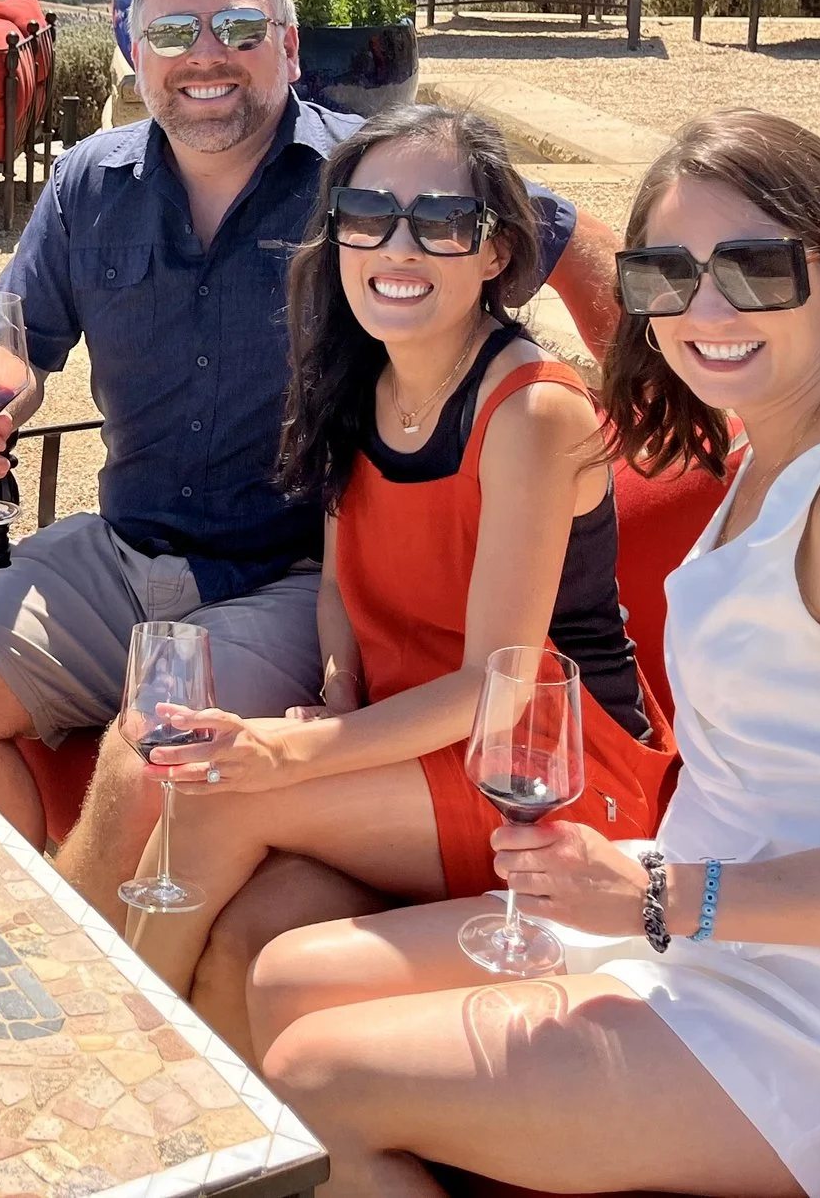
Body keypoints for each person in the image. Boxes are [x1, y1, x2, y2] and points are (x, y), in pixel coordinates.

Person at [244, 108, 820, 1198]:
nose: (705, 310)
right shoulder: (783, 457)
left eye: (755, 268)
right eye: (666, 275)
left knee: (314, 1074)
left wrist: (662, 896)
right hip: (701, 937)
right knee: (289, 978)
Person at [0, 0, 620, 931]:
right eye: (172, 31)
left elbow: (565, 235)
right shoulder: (89, 183)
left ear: (289, 46)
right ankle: (25, 922)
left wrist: (653, 418)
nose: (205, 56)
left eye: (237, 27)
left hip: (290, 576)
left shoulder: (365, 176)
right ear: (134, 48)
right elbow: (12, 337)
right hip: (124, 546)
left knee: (155, 744)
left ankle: (72, 976)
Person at [124, 104, 672, 1051]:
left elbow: (495, 686)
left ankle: (108, 1064)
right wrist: (338, 692)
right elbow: (341, 589)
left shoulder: (530, 411)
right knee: (247, 938)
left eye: (443, 221)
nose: (398, 245)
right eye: (368, 214)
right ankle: (214, 1123)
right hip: (413, 739)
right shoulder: (359, 378)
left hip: (547, 768)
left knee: (211, 797)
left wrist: (295, 750)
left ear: (496, 252)